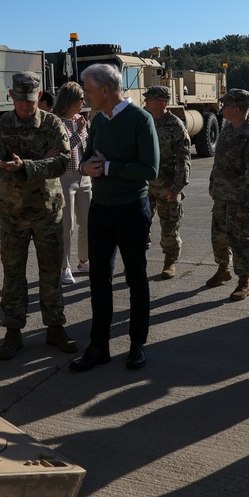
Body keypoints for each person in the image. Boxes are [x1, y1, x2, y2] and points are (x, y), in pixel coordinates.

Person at [70, 63, 159, 372]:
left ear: (105, 91)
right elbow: (87, 157)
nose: (85, 96)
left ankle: (137, 344)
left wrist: (108, 168)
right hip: (101, 210)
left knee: (136, 278)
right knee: (99, 280)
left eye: (89, 90)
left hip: (131, 210)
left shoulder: (140, 120)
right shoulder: (98, 121)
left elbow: (150, 170)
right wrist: (85, 168)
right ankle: (99, 346)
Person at [0, 72, 78, 360]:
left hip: (48, 212)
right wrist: (36, 164)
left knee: (51, 272)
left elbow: (62, 161)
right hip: (13, 214)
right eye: (20, 100)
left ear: (39, 97)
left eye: (31, 100)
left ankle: (55, 327)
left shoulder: (52, 124)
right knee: (13, 273)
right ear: (12, 96)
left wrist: (25, 167)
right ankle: (13, 331)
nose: (26, 106)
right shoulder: (0, 127)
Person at [205, 88, 249, 301]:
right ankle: (223, 269)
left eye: (226, 105)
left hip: (240, 201)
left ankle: (244, 281)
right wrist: (213, 184)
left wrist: (247, 206)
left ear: (238, 109)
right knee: (219, 238)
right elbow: (219, 163)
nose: (222, 108)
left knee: (240, 241)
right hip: (222, 197)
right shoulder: (227, 129)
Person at [143, 85, 191, 279]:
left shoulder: (175, 125)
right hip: (145, 184)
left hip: (167, 186)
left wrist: (176, 187)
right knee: (139, 225)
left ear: (161, 103)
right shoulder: (144, 121)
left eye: (149, 99)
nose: (145, 101)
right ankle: (138, 260)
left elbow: (184, 159)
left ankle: (170, 261)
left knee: (169, 225)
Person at [52, 81, 91, 285]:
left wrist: (83, 130)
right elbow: (63, 150)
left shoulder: (80, 119)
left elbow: (87, 146)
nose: (83, 102)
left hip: (84, 177)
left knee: (87, 222)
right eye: (80, 99)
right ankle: (64, 267)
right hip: (65, 178)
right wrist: (78, 132)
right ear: (69, 100)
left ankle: (84, 261)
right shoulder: (55, 121)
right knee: (67, 226)